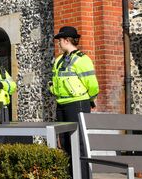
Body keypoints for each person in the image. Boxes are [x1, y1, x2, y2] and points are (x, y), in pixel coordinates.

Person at [49, 26, 99, 178]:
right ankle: (70, 175)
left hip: (77, 103)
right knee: (64, 142)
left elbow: (92, 84)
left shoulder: (83, 60)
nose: (58, 43)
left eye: (59, 40)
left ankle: (83, 176)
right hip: (61, 103)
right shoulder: (58, 60)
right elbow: (54, 81)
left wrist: (90, 99)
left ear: (66, 40)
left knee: (78, 143)